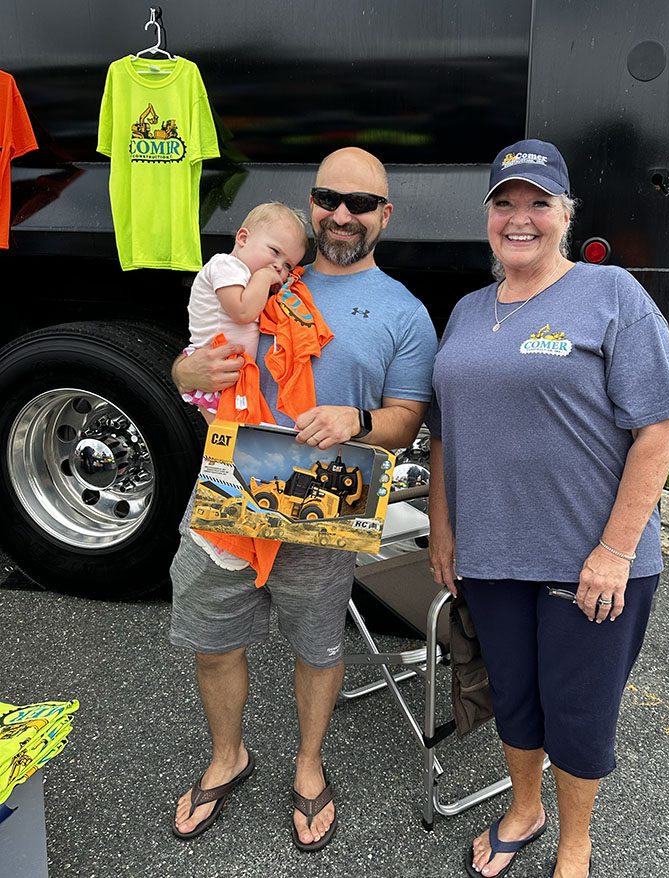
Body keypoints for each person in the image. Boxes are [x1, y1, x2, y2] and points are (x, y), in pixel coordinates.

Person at [427, 139, 669, 878]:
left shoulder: (612, 296)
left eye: (538, 203)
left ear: (565, 214)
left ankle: (574, 839)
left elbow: (660, 428)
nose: (520, 218)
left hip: (593, 562)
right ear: (487, 215)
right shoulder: (470, 310)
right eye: (504, 203)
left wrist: (612, 551)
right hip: (491, 551)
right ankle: (524, 807)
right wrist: (443, 529)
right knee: (514, 698)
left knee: (578, 713)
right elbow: (445, 426)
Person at [169, 147, 438, 849]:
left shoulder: (404, 312)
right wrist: (182, 369)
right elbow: (194, 359)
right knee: (214, 640)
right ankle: (228, 757)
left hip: (327, 497)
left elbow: (408, 417)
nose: (342, 214)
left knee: (319, 647)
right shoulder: (258, 272)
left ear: (385, 215)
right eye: (329, 198)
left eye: (360, 203)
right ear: (312, 203)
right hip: (230, 490)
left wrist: (360, 420)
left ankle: (309, 764)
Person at [182, 202, 308, 419]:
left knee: (234, 444)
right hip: (217, 373)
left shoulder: (245, 277)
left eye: (288, 265)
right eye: (275, 251)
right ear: (243, 239)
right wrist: (264, 277)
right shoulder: (225, 266)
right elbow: (242, 312)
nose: (279, 266)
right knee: (226, 444)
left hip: (231, 373)